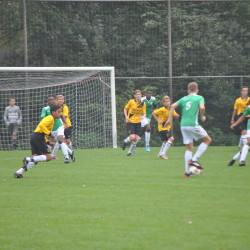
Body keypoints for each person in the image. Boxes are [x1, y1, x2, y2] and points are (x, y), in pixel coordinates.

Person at [167, 82, 212, 178]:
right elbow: (202, 107)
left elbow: (172, 106)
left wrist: (169, 119)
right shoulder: (199, 97)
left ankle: (187, 172)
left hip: (183, 125)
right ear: (197, 90)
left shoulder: (184, 98)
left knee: (189, 148)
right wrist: (202, 115)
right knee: (207, 140)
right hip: (193, 125)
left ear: (188, 91)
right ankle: (194, 160)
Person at [14, 105, 62, 178]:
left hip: (35, 137)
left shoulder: (52, 119)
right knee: (48, 157)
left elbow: (42, 131)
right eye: (59, 112)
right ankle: (27, 159)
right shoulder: (50, 118)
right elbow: (41, 125)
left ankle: (19, 172)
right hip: (38, 137)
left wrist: (48, 142)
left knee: (35, 160)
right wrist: (49, 134)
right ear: (53, 112)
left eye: (60, 112)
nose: (60, 113)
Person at [41, 96, 75, 164]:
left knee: (60, 140)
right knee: (52, 142)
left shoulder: (57, 108)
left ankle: (66, 157)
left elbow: (62, 116)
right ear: (47, 101)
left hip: (59, 126)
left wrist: (66, 124)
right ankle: (70, 152)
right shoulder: (45, 109)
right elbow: (42, 118)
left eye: (53, 100)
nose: (51, 101)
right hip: (51, 128)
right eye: (50, 100)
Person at [229, 86, 250, 165]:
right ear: (241, 91)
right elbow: (237, 111)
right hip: (242, 118)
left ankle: (234, 159)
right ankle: (241, 160)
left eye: (246, 91)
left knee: (247, 144)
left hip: (247, 118)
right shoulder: (238, 100)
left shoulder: (249, 99)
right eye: (244, 90)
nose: (245, 92)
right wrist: (233, 121)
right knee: (246, 137)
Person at [122, 90, 146, 156]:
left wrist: (143, 116)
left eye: (139, 94)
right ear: (134, 96)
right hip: (131, 122)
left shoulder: (143, 103)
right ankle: (125, 142)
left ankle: (129, 152)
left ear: (141, 95)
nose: (138, 96)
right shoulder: (131, 102)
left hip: (138, 122)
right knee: (132, 137)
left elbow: (144, 113)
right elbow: (125, 109)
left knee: (136, 139)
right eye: (137, 94)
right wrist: (126, 117)